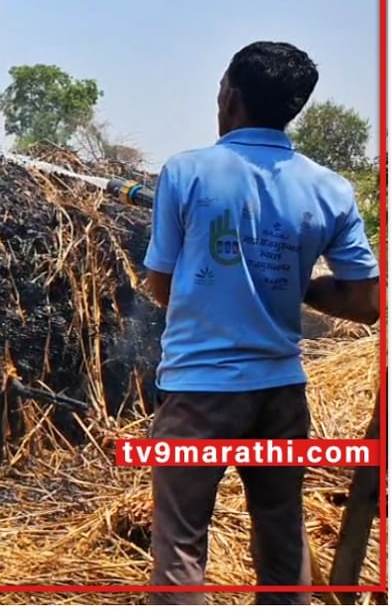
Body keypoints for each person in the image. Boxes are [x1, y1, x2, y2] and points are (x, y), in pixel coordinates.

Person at [142, 41, 380, 605]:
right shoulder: (330, 188)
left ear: (231, 96)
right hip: (280, 393)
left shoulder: (187, 172)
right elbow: (367, 302)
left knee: (179, 539)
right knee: (280, 527)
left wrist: (217, 280)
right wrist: (297, 285)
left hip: (199, 391)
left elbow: (160, 286)